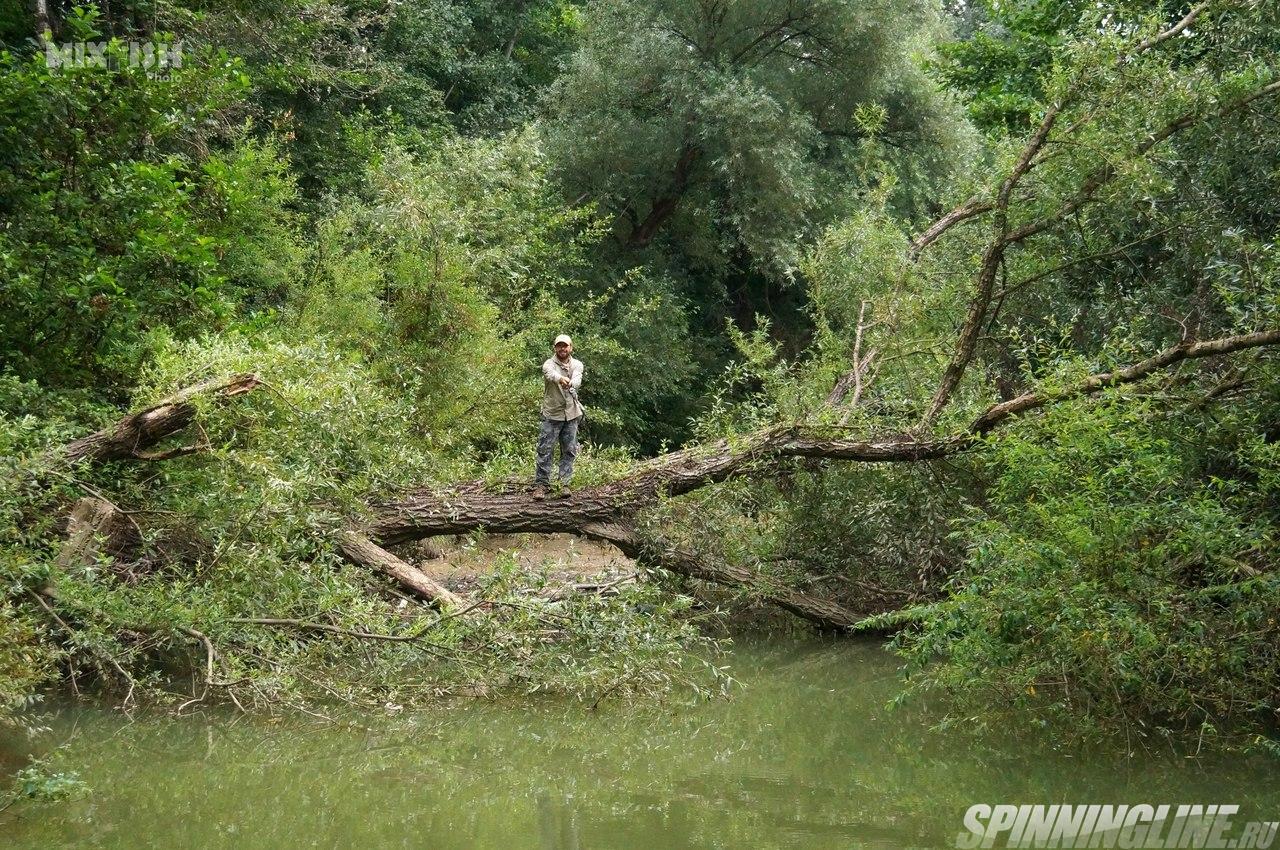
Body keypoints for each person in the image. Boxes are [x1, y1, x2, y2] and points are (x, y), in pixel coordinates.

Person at [534, 333, 583, 499]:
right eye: (559, 345)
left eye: (565, 345)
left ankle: (564, 484)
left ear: (571, 347)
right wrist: (560, 378)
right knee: (545, 449)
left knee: (569, 450)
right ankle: (541, 485)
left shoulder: (577, 364)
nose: (562, 348)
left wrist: (571, 382)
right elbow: (549, 374)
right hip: (551, 414)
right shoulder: (549, 363)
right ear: (555, 348)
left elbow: (577, 379)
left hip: (571, 414)